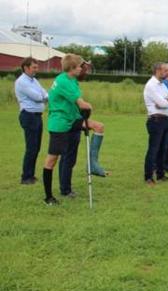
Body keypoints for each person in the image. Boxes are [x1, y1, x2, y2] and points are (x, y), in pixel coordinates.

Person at [43, 54, 107, 204]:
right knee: (52, 160)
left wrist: (84, 112)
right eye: (80, 66)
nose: (81, 69)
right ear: (72, 68)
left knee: (98, 126)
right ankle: (48, 197)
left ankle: (92, 164)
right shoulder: (63, 81)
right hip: (60, 124)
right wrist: (89, 106)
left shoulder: (72, 81)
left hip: (73, 120)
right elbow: (83, 104)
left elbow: (78, 105)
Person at [15, 57, 47, 185]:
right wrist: (44, 97)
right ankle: (26, 177)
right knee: (31, 147)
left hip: (37, 116)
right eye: (34, 67)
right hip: (29, 116)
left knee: (36, 147)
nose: (36, 70)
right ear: (26, 68)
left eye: (36, 67)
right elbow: (38, 97)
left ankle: (30, 175)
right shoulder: (22, 82)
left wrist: (44, 96)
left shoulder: (33, 80)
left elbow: (43, 92)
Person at [143, 62, 168, 185]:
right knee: (153, 149)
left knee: (163, 148)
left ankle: (160, 174)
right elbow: (163, 103)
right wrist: (166, 102)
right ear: (158, 70)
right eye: (165, 70)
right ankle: (148, 177)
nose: (167, 73)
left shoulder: (162, 85)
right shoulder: (151, 85)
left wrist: (166, 101)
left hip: (165, 119)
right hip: (156, 120)